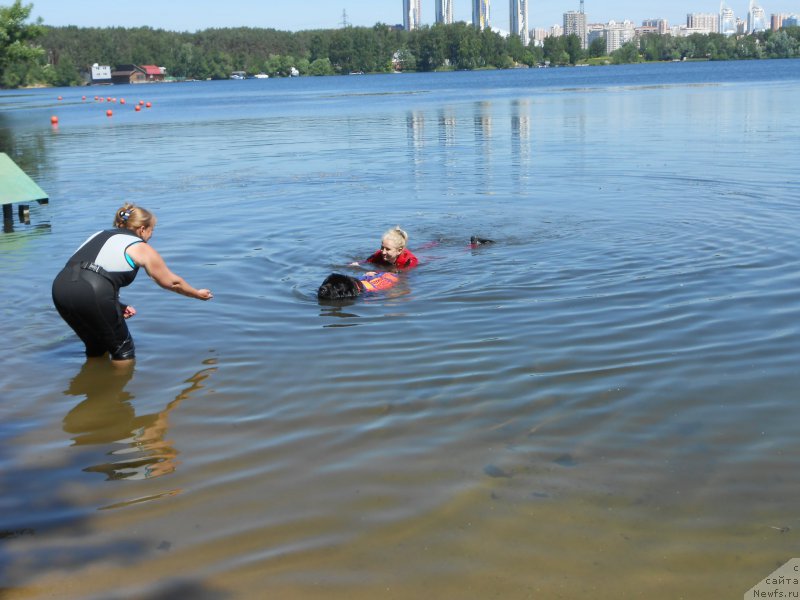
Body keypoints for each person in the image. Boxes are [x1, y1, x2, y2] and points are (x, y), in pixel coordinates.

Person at [52, 203, 213, 363]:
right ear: (142, 229)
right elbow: (172, 283)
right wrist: (197, 294)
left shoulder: (99, 234)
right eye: (152, 231)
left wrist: (116, 304)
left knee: (96, 346)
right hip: (94, 291)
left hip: (60, 287)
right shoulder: (139, 245)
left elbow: (89, 274)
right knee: (124, 351)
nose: (150, 236)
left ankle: (95, 385)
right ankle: (120, 388)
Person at [317, 271, 399, 300]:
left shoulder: (371, 293)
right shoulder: (350, 284)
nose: (323, 288)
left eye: (335, 286)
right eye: (326, 284)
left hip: (388, 277)